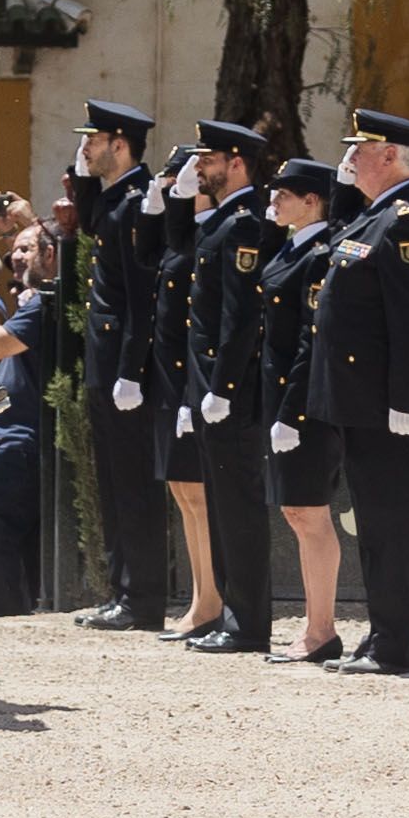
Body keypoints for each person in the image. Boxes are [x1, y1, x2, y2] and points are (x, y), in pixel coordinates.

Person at [310, 110, 409, 676]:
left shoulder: (406, 221)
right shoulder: (375, 216)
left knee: (390, 522)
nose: (348, 158)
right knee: (371, 519)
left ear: (389, 156)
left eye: (359, 151)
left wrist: (405, 403)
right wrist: (342, 190)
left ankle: (394, 645)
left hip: (386, 404)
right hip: (358, 399)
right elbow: (337, 249)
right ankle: (381, 633)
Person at [64, 102, 167, 631]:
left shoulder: (140, 203)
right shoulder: (115, 199)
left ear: (119, 144)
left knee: (133, 483)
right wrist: (81, 174)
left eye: (93, 141)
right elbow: (86, 222)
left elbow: (142, 296)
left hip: (128, 369)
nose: (84, 148)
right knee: (113, 478)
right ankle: (124, 589)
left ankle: (143, 596)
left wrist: (131, 369)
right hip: (106, 363)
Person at [184, 118, 282, 655]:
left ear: (236, 162)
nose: (200, 166)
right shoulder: (220, 221)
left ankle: (248, 622)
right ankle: (229, 614)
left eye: (209, 158)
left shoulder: (244, 224)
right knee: (222, 506)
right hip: (208, 393)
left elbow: (241, 317)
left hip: (233, 395)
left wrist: (221, 386)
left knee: (238, 509)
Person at [258, 158, 350, 665]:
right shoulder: (289, 249)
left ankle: (321, 631)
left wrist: (291, 413)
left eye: (283, 195)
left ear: (311, 201)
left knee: (309, 513)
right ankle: (316, 627)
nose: (272, 201)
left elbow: (307, 343)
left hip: (306, 404)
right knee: (297, 513)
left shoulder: (319, 255)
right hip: (281, 398)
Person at [0, 222, 59, 617]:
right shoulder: (32, 298)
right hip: (16, 439)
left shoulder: (45, 301)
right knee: (23, 542)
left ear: (51, 254)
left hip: (24, 440)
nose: (15, 257)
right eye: (14, 250)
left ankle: (7, 619)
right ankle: (23, 613)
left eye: (27, 248)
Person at [146, 142, 218, 639]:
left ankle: (210, 599)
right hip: (172, 376)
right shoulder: (183, 236)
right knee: (182, 491)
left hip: (194, 376)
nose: (175, 193)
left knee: (197, 491)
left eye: (183, 185)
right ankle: (201, 596)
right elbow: (147, 254)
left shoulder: (207, 236)